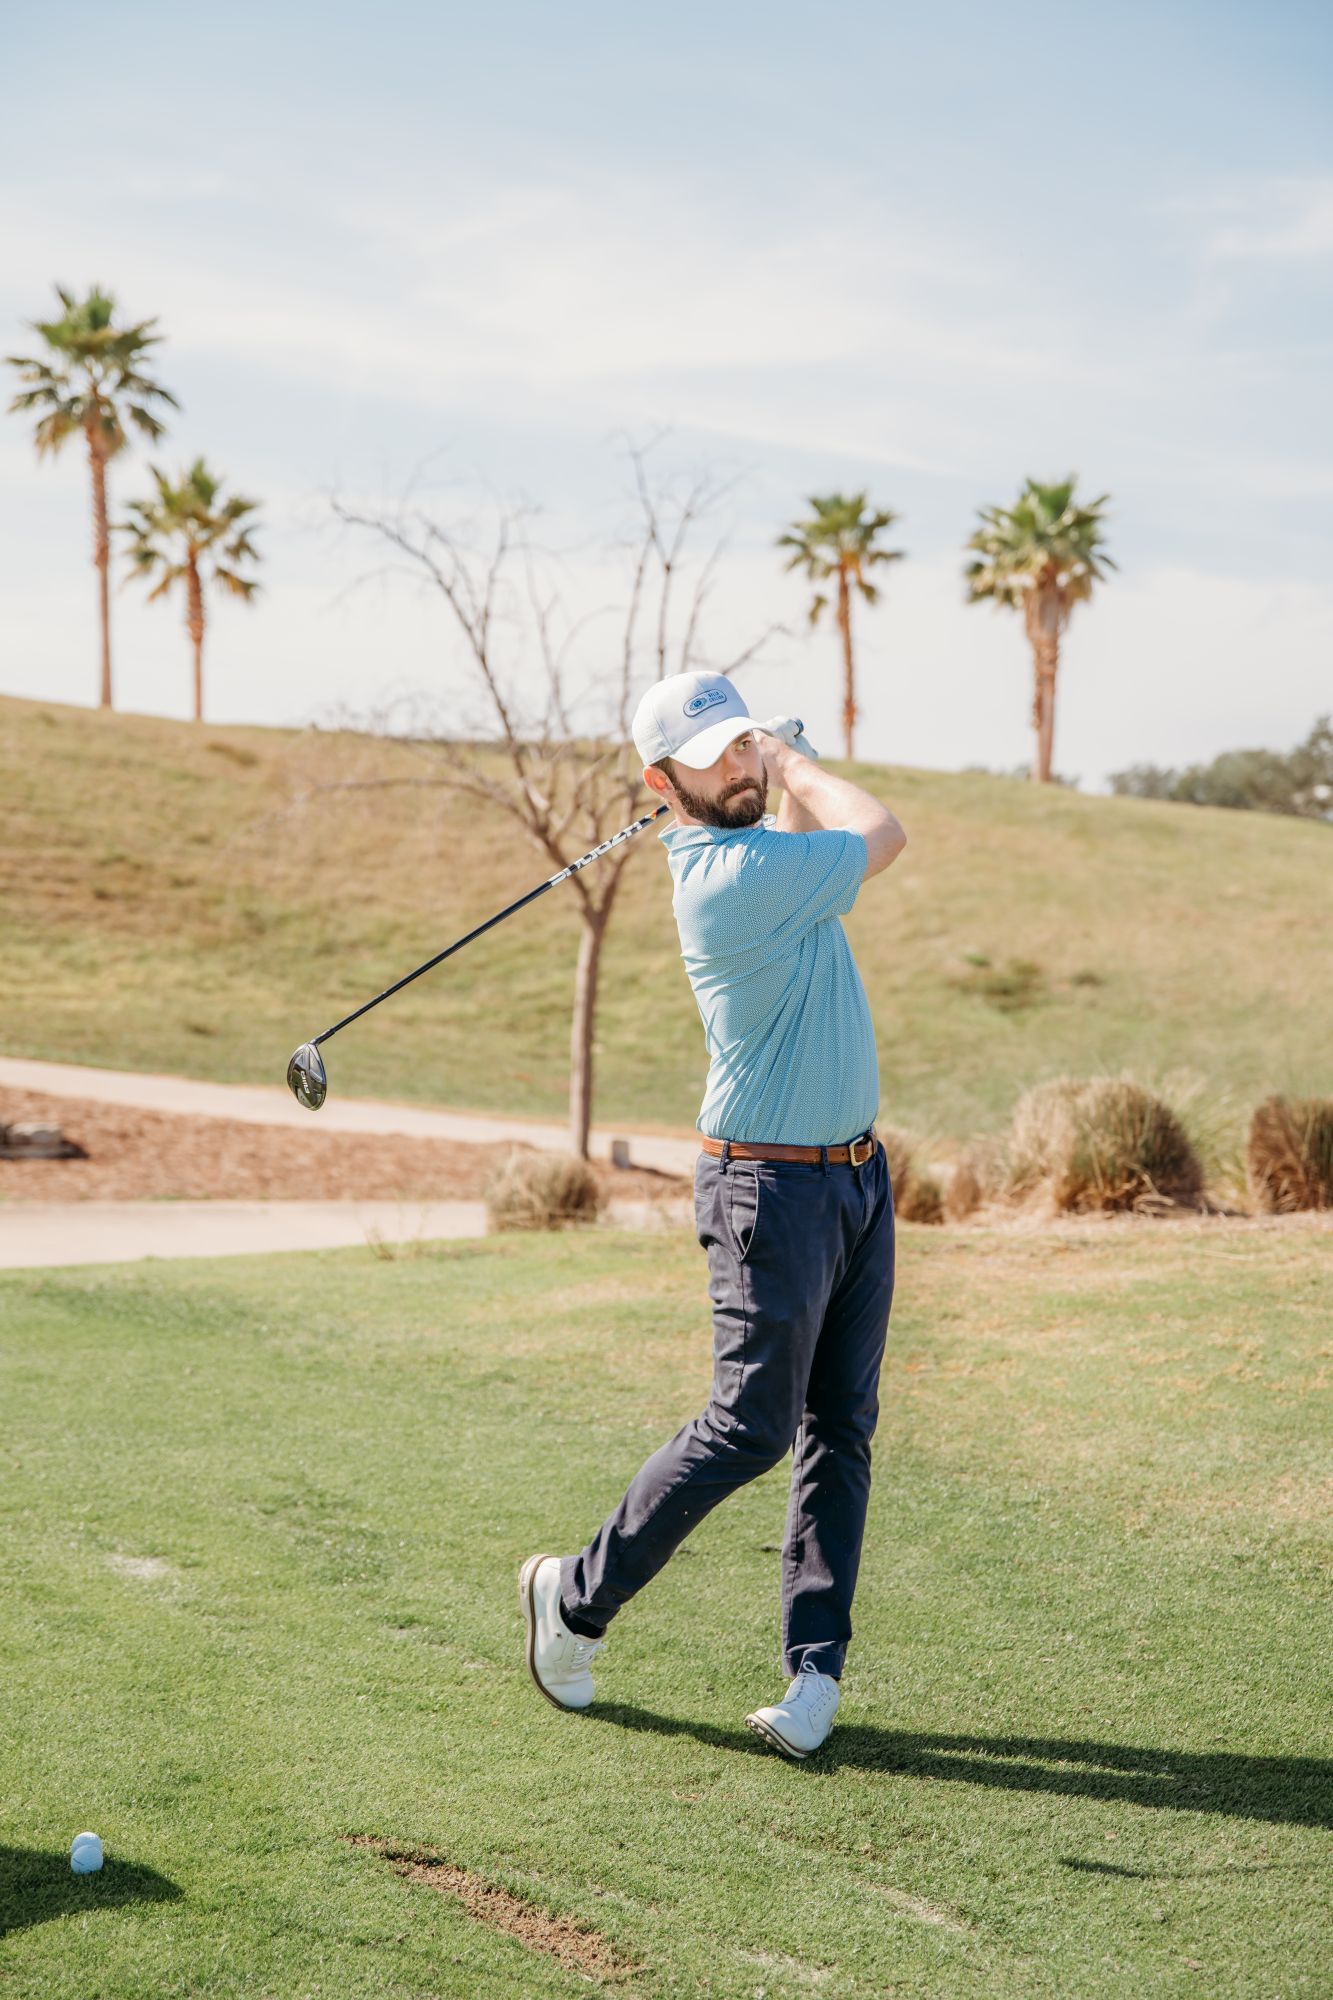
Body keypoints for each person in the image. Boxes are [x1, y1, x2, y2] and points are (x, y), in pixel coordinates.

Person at [521, 670, 906, 1759]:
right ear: (663, 782)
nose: (738, 763)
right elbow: (880, 832)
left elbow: (800, 839)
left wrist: (769, 775)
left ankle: (814, 1669)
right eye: (715, 756)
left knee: (841, 1424)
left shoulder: (764, 860)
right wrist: (793, 765)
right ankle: (572, 1598)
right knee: (748, 1424)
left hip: (854, 1177)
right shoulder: (727, 879)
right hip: (766, 1189)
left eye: (743, 742)